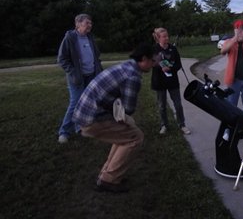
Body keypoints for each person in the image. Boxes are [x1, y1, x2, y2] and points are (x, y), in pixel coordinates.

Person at [72, 43, 158, 193]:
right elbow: (129, 109)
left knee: (126, 134)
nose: (153, 65)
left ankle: (108, 174)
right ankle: (108, 180)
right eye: (152, 61)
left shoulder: (126, 66)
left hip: (84, 114)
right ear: (144, 59)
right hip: (92, 118)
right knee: (135, 137)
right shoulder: (133, 76)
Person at [57, 13, 102, 144]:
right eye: (87, 23)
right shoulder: (70, 38)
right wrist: (73, 72)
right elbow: (62, 59)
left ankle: (80, 128)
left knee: (86, 103)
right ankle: (64, 132)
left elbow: (96, 54)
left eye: (91, 23)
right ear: (78, 24)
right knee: (75, 103)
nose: (90, 25)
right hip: (77, 78)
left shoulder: (90, 37)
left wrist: (97, 67)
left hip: (91, 75)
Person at [151, 28, 191, 135]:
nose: (167, 38)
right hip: (159, 82)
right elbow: (153, 64)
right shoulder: (155, 49)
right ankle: (164, 125)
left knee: (178, 104)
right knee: (162, 105)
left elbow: (178, 64)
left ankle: (182, 124)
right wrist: (161, 67)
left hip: (172, 81)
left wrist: (171, 68)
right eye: (164, 36)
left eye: (167, 36)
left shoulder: (173, 49)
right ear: (158, 38)